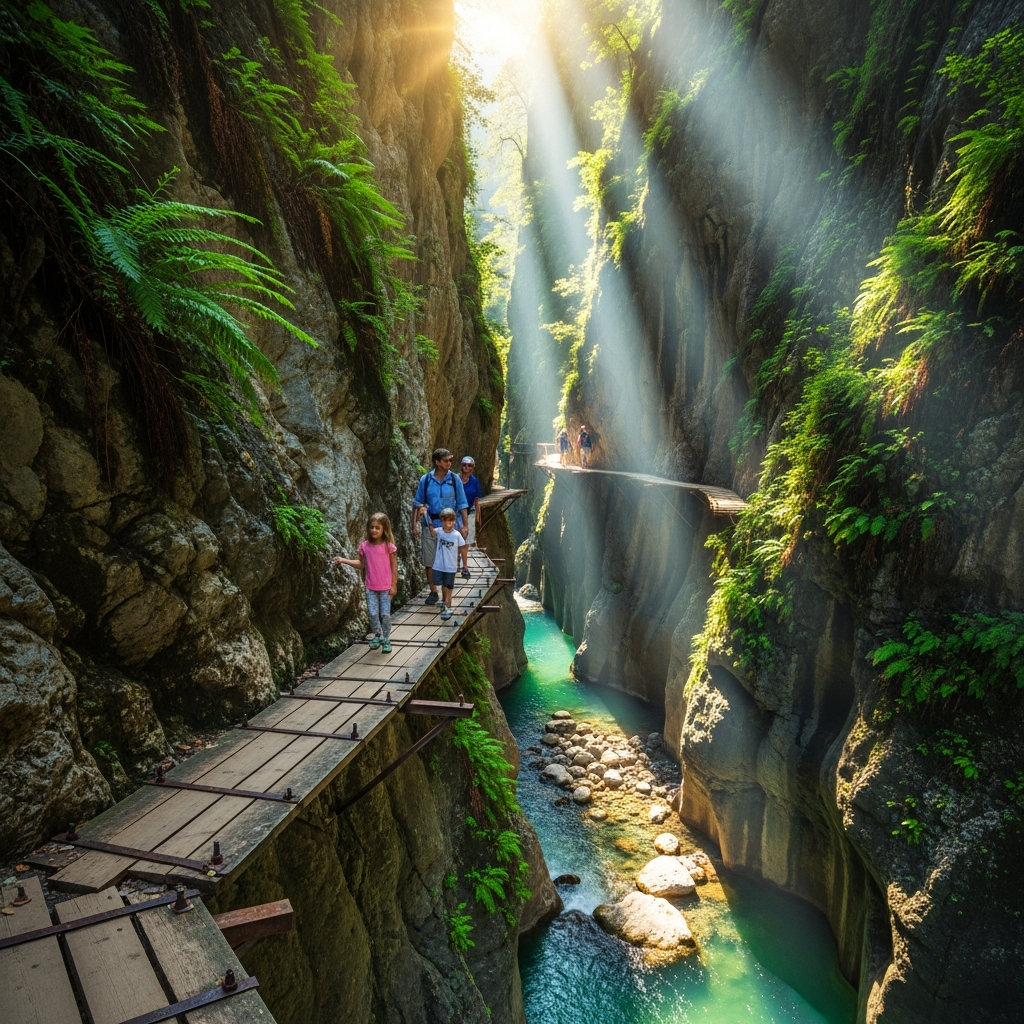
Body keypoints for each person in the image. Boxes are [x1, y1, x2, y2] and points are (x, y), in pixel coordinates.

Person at [334, 512, 398, 654]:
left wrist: (394, 585)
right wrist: (344, 560)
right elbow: (361, 564)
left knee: (385, 614)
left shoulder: (389, 547)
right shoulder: (365, 546)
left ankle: (386, 639)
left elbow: (394, 567)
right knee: (373, 613)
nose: (374, 530)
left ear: (384, 529)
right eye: (371, 527)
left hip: (386, 587)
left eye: (377, 528)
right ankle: (378, 635)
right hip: (371, 587)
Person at [412, 448, 468, 604]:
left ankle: (446, 594)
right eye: (446, 460)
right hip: (430, 524)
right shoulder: (426, 480)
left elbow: (462, 503)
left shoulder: (455, 480)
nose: (449, 463)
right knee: (429, 560)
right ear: (437, 462)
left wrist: (465, 525)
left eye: (451, 460)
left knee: (448, 560)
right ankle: (433, 591)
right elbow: (417, 503)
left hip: (450, 526)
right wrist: (414, 525)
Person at [430, 507, 468, 620]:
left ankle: (448, 606)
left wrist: (464, 565)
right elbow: (432, 532)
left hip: (451, 566)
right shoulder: (439, 531)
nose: (448, 523)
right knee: (442, 583)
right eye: (446, 520)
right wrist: (427, 516)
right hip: (439, 565)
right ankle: (443, 600)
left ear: (454, 521)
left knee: (449, 586)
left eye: (451, 520)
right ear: (442, 521)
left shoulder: (456, 535)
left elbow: (463, 549)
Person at [459, 455, 482, 548]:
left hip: (470, 512)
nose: (466, 467)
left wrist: (478, 516)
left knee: (468, 537)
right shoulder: (456, 479)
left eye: (469, 465)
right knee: (457, 535)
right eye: (464, 465)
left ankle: (464, 556)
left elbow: (477, 499)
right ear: (461, 466)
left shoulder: (474, 481)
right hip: (457, 512)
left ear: (473, 467)